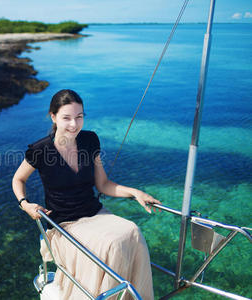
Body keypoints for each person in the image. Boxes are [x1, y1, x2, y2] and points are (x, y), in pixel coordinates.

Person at [12, 89, 161, 300]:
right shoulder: (40, 150)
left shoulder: (90, 141)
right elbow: (18, 179)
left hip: (94, 213)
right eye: (66, 118)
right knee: (114, 243)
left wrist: (135, 193)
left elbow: (103, 184)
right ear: (53, 117)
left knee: (133, 231)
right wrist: (25, 204)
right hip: (63, 223)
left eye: (79, 117)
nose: (74, 124)